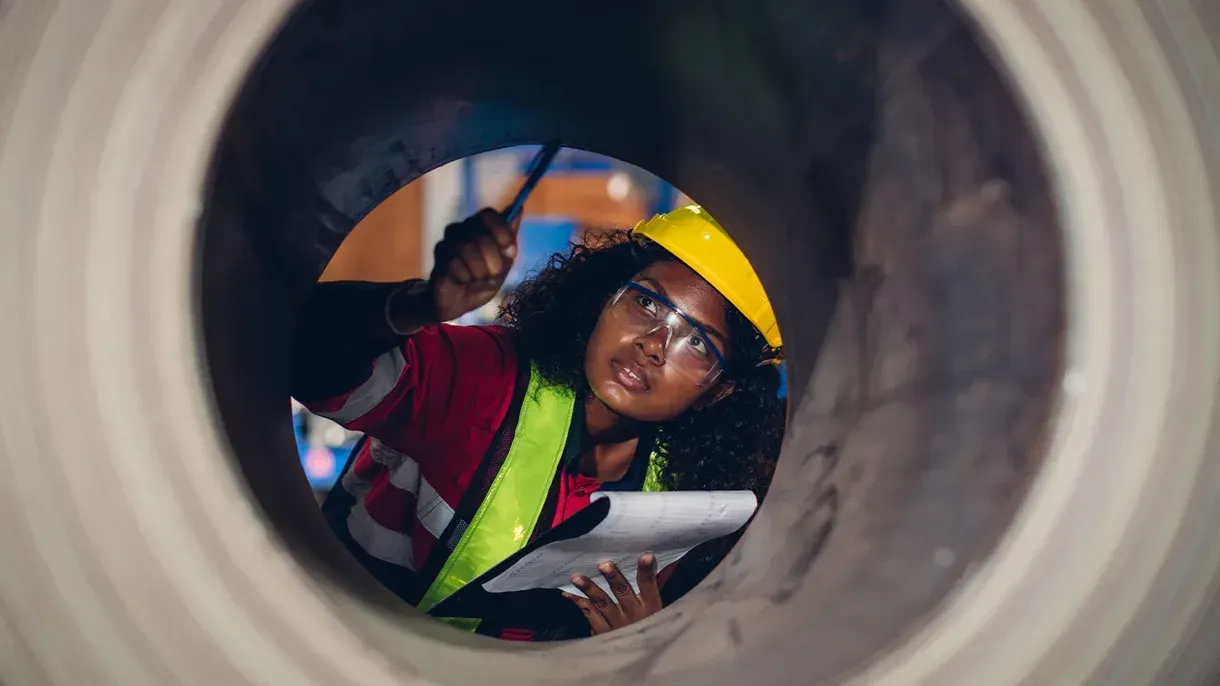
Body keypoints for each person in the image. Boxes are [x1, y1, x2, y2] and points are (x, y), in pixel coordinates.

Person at [291, 204, 785, 640]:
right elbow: (302, 353)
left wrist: (637, 646)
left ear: (718, 391)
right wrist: (418, 306)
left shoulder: (682, 502)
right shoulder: (484, 381)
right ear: (601, 300)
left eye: (697, 342)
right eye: (647, 302)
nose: (653, 343)